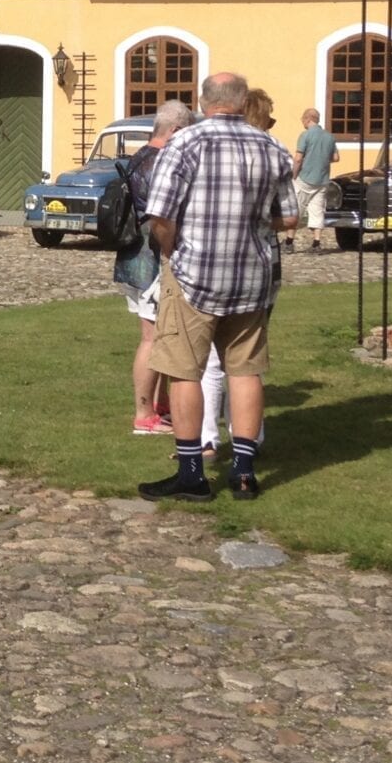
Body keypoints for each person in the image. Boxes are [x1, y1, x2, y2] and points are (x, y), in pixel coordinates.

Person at [139, 72, 297, 502]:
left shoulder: (185, 143)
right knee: (245, 369)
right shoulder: (271, 146)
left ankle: (192, 472)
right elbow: (290, 218)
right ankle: (244, 471)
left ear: (202, 101)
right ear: (243, 101)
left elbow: (161, 215)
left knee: (183, 369)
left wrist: (171, 252)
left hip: (195, 272)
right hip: (252, 274)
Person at [199, 89, 283, 458]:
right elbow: (289, 214)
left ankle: (205, 440)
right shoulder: (271, 150)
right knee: (246, 360)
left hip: (208, 264)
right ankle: (248, 440)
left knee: (210, 362)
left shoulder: (206, 145)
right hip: (258, 265)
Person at [116, 101, 195, 435]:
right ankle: (144, 415)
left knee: (158, 336)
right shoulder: (158, 162)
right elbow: (161, 217)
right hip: (149, 260)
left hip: (136, 257)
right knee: (152, 337)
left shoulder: (139, 157)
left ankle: (160, 406)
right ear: (175, 130)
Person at [290, 107, 339, 253]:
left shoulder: (305, 135)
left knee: (296, 209)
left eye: (303, 120)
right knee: (317, 211)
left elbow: (298, 159)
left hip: (305, 178)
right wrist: (322, 159)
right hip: (322, 179)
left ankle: (288, 242)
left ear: (307, 119)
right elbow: (336, 158)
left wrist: (293, 175)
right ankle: (316, 243)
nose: (302, 122)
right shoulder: (329, 136)